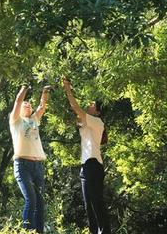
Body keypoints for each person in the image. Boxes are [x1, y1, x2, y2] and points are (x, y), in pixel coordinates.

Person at [63, 78, 111, 234]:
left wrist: (68, 89)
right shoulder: (85, 122)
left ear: (97, 111)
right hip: (85, 167)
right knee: (88, 205)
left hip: (94, 165)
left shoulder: (97, 122)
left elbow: (75, 107)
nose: (88, 105)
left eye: (92, 104)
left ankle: (105, 232)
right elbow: (73, 114)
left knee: (96, 202)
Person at [9, 85, 51, 233]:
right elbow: (17, 101)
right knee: (31, 200)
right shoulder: (15, 121)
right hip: (22, 165)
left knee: (40, 202)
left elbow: (42, 106)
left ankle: (39, 231)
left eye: (29, 104)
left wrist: (45, 92)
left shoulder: (34, 119)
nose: (27, 104)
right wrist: (24, 87)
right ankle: (28, 231)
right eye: (24, 104)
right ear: (20, 109)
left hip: (38, 166)